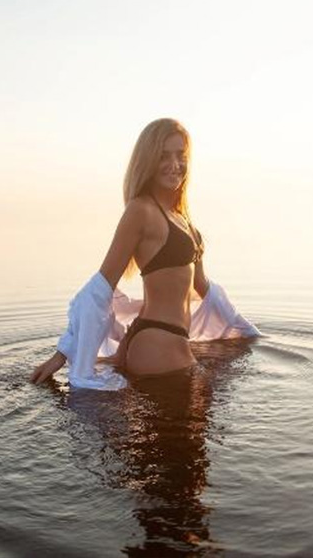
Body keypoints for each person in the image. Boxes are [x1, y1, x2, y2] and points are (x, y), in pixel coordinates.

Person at [31, 118, 257, 386]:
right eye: (164, 156)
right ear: (148, 160)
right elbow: (101, 286)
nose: (175, 164)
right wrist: (64, 353)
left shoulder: (181, 216)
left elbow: (203, 287)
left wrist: (243, 330)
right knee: (186, 427)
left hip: (167, 342)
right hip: (157, 342)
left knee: (194, 424)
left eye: (180, 155)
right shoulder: (141, 211)